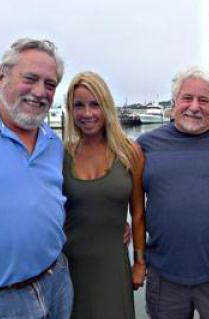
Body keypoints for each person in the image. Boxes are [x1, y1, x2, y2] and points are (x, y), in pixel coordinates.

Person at [0, 38, 73, 318]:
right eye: (30, 79)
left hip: (56, 283)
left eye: (50, 84)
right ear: (1, 76)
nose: (40, 92)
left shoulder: (53, 143)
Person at [137, 66, 209, 319]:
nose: (194, 107)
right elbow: (124, 195)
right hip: (165, 273)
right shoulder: (145, 146)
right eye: (187, 98)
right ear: (174, 102)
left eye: (204, 100)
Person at [62, 71, 146, 319]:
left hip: (113, 265)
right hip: (69, 265)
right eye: (79, 105)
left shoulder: (129, 152)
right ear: (70, 109)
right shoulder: (61, 154)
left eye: (95, 104)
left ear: (106, 106)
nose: (87, 114)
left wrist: (139, 262)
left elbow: (138, 212)